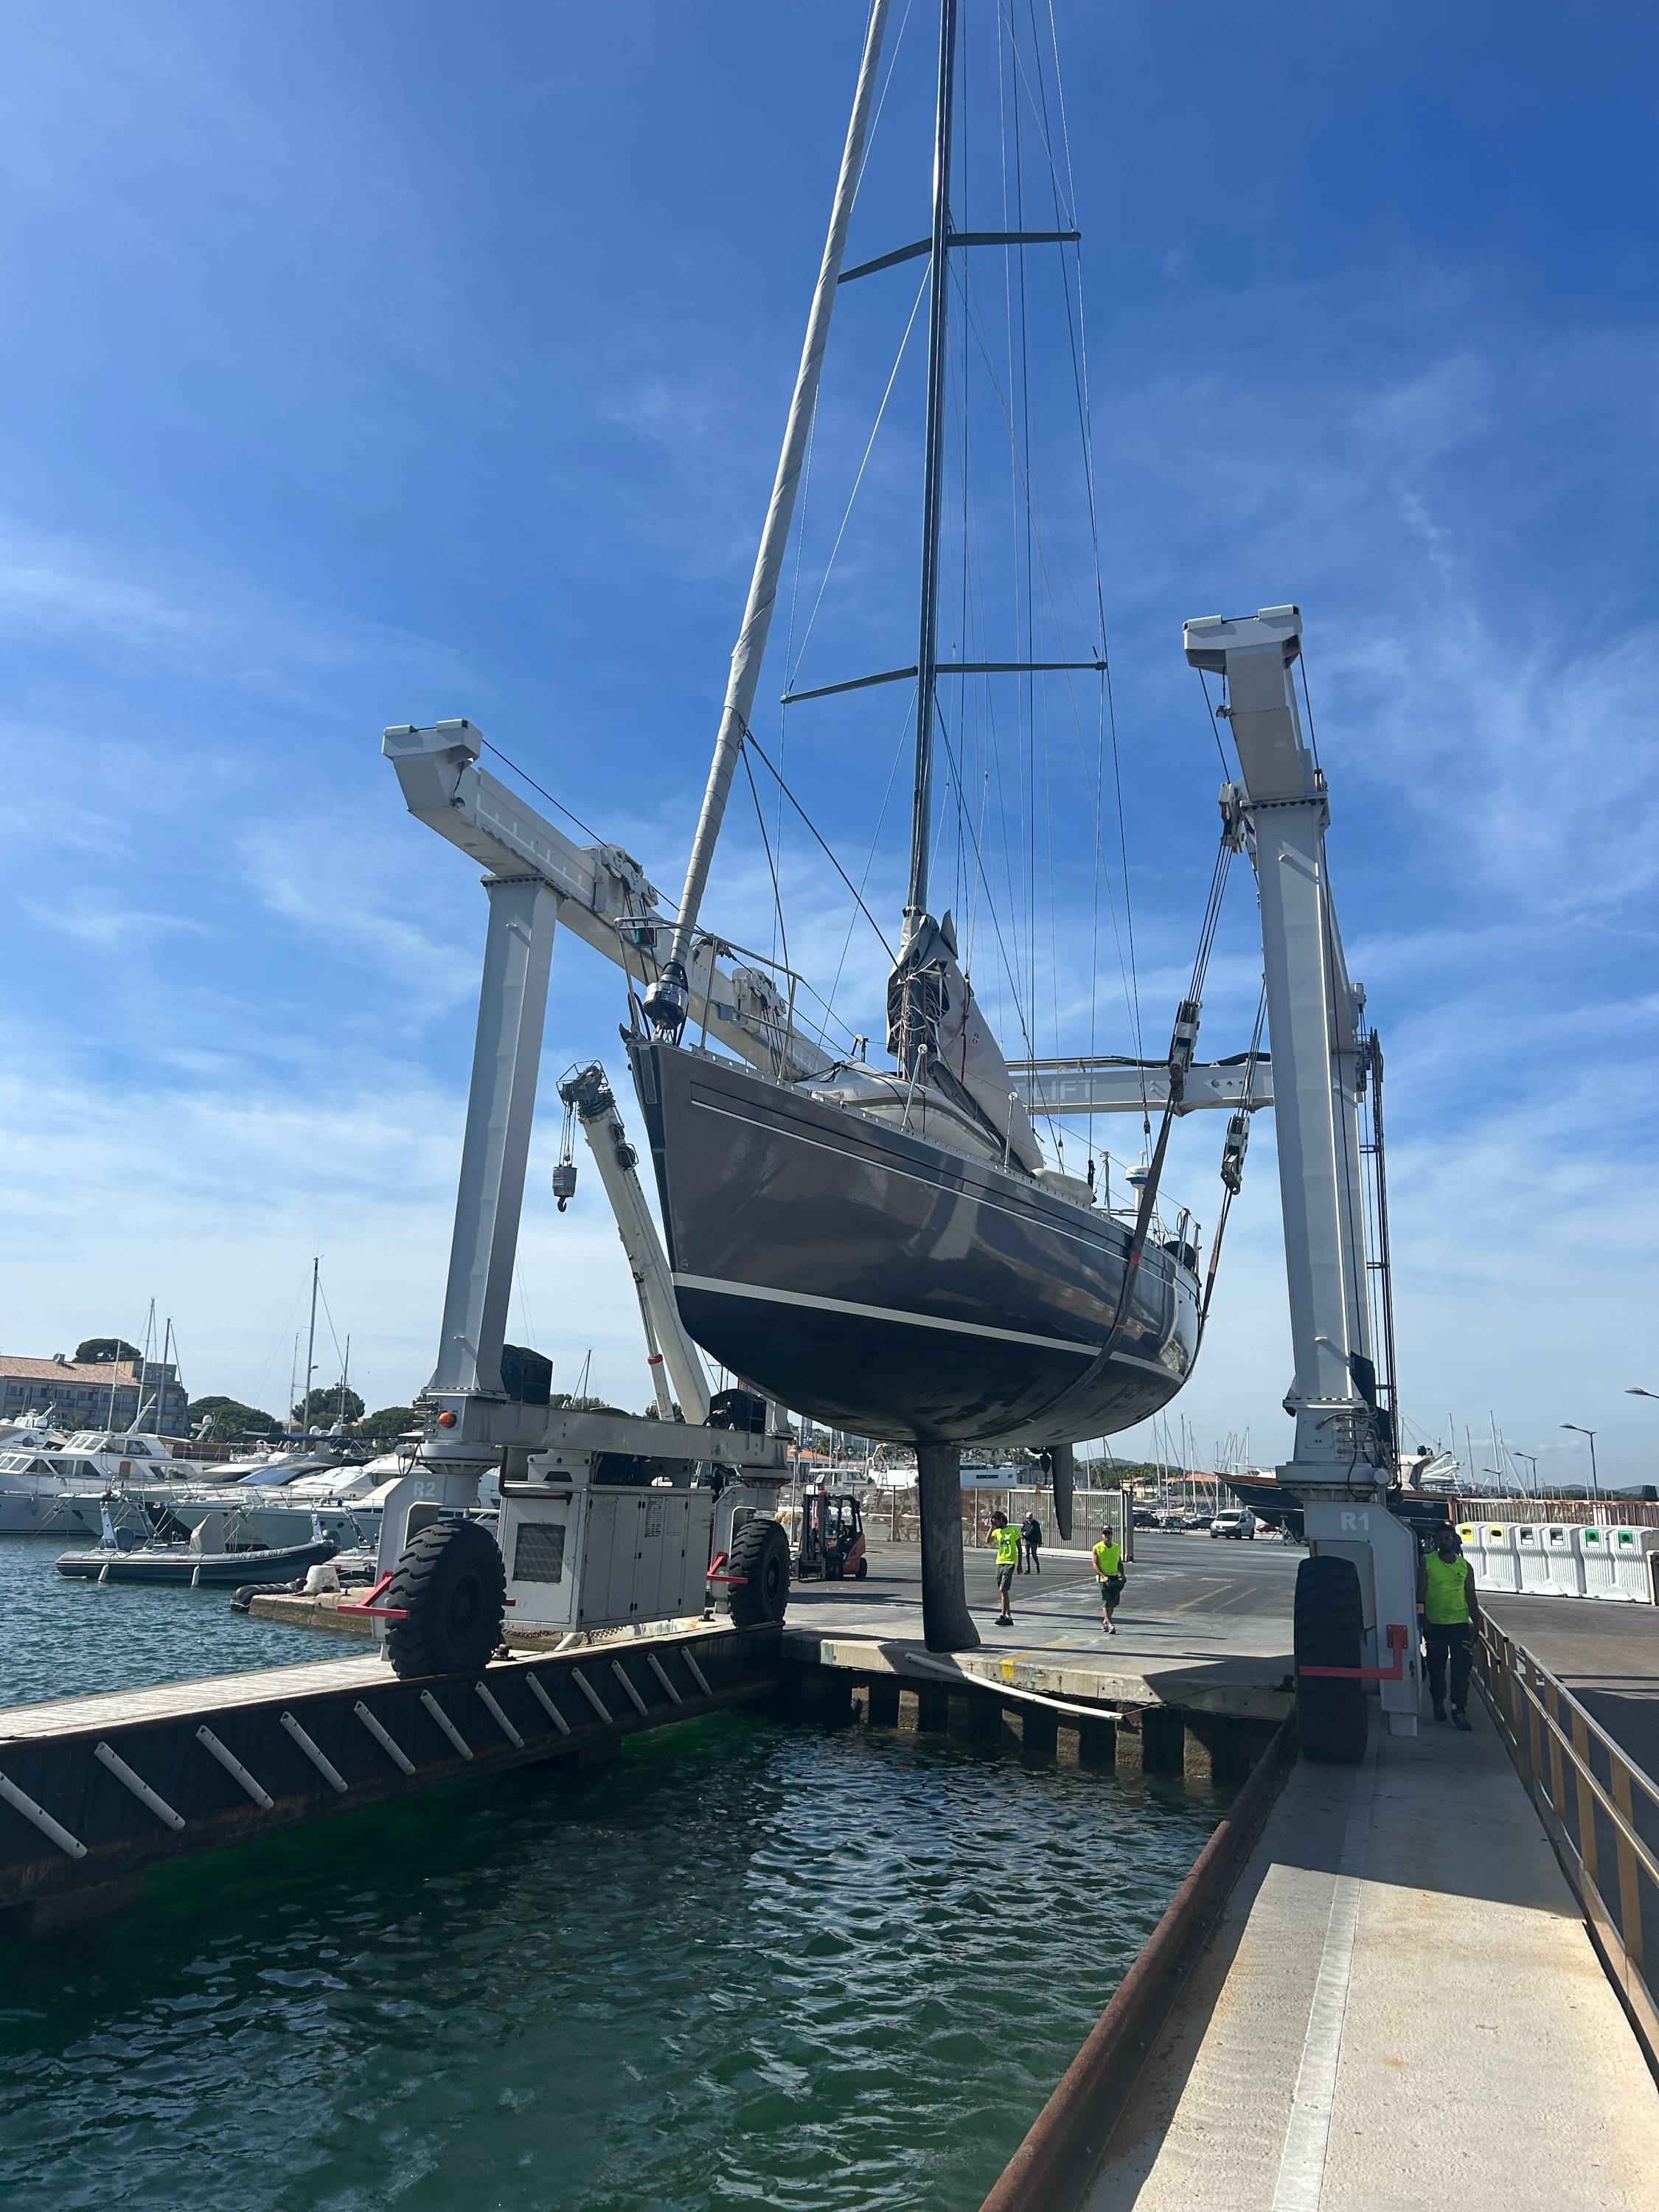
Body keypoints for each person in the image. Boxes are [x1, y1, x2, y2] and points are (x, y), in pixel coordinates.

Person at [1419, 1523, 1480, 1730]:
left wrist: (1476, 1620)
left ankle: (1459, 1709)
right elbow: (1420, 1594)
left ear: (1454, 1540)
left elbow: (1471, 1595)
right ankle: (1438, 1702)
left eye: (1447, 1539)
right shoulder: (1427, 1562)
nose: (1443, 1542)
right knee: (1436, 1669)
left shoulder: (1464, 1566)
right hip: (1435, 1625)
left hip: (1459, 1624)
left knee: (1461, 1670)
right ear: (1435, 1542)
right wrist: (1422, 1618)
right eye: (1439, 1540)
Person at [987, 1509, 1020, 1624]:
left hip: (1010, 1562)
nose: (995, 1524)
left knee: (1003, 1589)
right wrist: (992, 1527)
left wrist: (1020, 1564)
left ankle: (1003, 1615)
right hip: (999, 1562)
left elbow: (1019, 1548)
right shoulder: (997, 1532)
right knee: (1002, 1591)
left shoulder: (1012, 1530)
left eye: (996, 1522)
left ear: (1001, 1520)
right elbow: (988, 1541)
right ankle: (1009, 1616)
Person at [1093, 1527, 1127, 1635]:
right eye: (1105, 1534)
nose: (1107, 1536)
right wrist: (1103, 1576)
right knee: (1107, 1601)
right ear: (1102, 1535)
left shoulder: (1117, 1547)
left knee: (1113, 1602)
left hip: (1114, 1577)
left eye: (1109, 1533)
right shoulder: (1097, 1547)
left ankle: (1106, 1621)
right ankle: (1111, 1624)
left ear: (1112, 1535)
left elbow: (1119, 1562)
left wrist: (1123, 1574)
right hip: (1103, 1578)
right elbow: (1095, 1564)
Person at [1020, 1510, 1043, 1575]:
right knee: (1027, 1555)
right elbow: (1022, 1530)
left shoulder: (1036, 1524)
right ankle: (1028, 1569)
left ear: (1032, 1517)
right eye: (1027, 1518)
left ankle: (1037, 1565)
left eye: (1030, 1518)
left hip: (1034, 1541)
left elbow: (1039, 1533)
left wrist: (1039, 1542)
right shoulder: (1025, 1523)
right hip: (1027, 1541)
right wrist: (1023, 1534)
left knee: (1034, 1555)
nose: (1028, 1519)